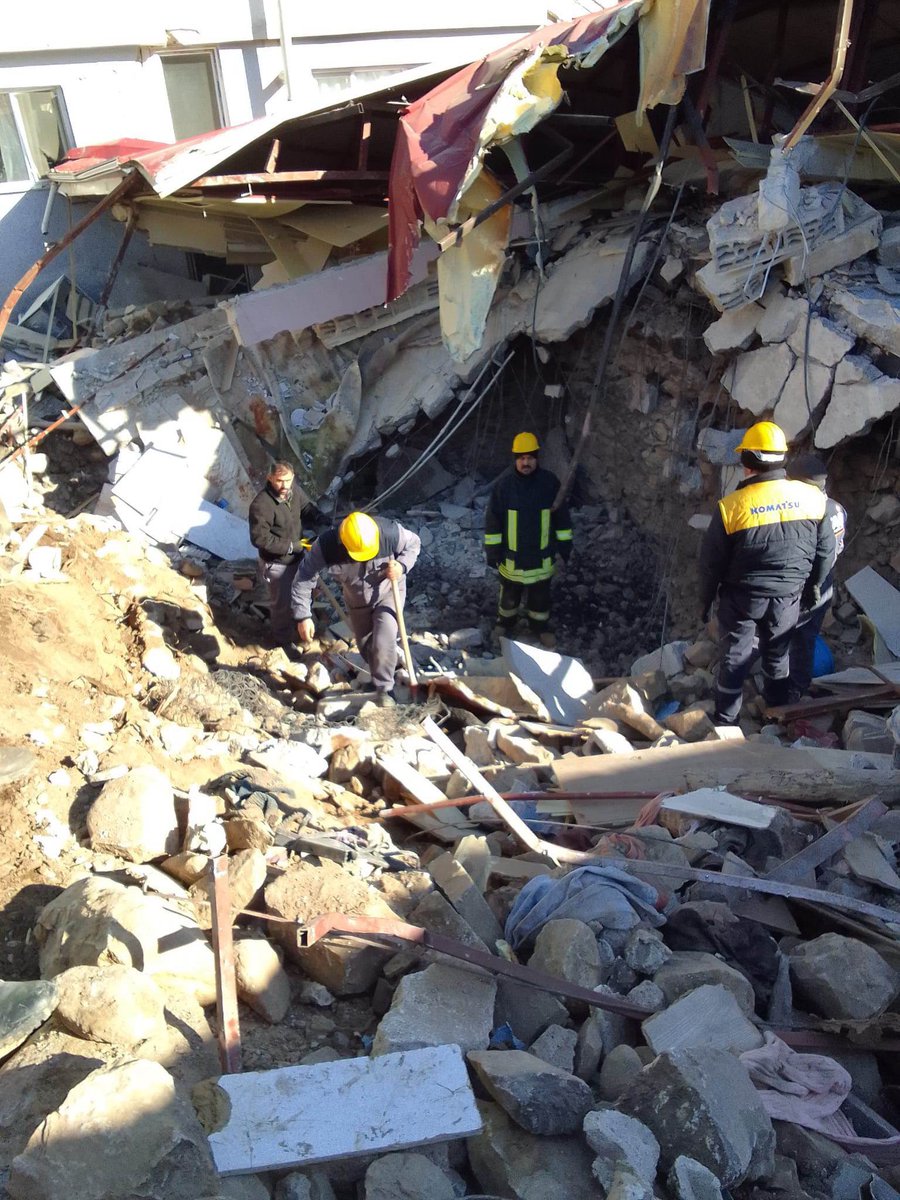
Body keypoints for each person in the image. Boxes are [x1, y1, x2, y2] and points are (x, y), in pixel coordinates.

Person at [699, 421, 835, 726]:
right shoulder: (813, 499)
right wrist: (812, 589)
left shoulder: (731, 507)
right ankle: (778, 714)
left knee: (735, 656)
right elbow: (825, 552)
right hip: (788, 595)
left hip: (742, 598)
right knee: (777, 654)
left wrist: (705, 603)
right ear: (782, 460)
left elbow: (711, 564)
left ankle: (726, 722)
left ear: (747, 463)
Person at [291, 511, 421, 707]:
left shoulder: (389, 532)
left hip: (388, 593)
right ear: (344, 543)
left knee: (383, 637)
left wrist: (402, 566)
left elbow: (414, 543)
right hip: (357, 601)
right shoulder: (326, 546)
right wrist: (303, 615)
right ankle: (385, 669)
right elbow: (304, 576)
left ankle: (385, 691)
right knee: (367, 646)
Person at [484, 432, 573, 648]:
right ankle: (504, 624)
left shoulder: (549, 483)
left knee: (540, 598)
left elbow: (562, 518)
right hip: (512, 558)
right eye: (522, 458)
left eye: (530, 458)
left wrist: (565, 547)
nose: (526, 462)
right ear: (515, 459)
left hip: (541, 557)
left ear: (537, 458)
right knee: (509, 597)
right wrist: (493, 552)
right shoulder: (503, 488)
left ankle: (540, 627)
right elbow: (493, 522)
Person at [786, 453, 846, 699]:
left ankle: (785, 690)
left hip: (804, 584)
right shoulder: (837, 509)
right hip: (825, 583)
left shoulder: (808, 514)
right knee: (806, 637)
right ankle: (798, 688)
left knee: (786, 636)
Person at [248, 461, 324, 648]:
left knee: (305, 592)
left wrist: (320, 518)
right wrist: (291, 547)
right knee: (282, 605)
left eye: (288, 480)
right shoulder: (261, 505)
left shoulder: (294, 491)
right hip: (278, 564)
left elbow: (306, 508)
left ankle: (303, 627)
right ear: (270, 478)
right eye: (279, 481)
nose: (284, 486)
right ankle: (283, 642)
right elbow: (260, 539)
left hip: (299, 557)